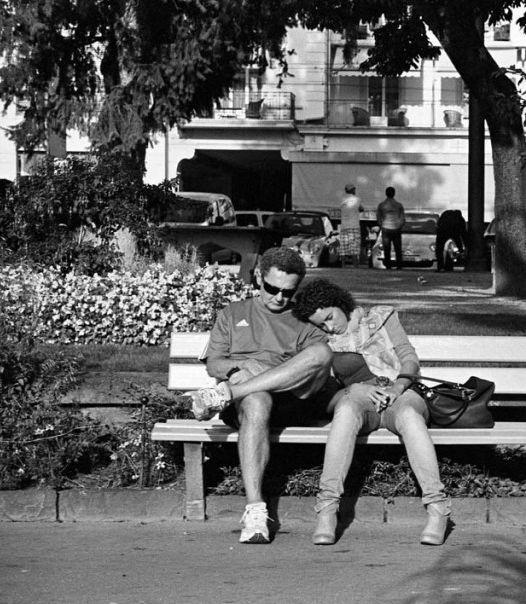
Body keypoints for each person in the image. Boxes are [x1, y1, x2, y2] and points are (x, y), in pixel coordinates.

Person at [187, 247, 335, 545]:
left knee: (321, 351)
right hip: (246, 404)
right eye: (272, 288)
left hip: (293, 399)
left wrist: (258, 374)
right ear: (258, 277)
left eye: (288, 292)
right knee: (256, 400)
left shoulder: (305, 320)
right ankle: (256, 512)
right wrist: (244, 365)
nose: (279, 297)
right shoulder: (233, 313)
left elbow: (314, 370)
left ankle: (229, 393)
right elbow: (214, 363)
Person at [292, 278, 452, 546]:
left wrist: (398, 387)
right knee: (344, 413)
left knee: (410, 418)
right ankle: (327, 509)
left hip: (400, 394)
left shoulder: (381, 316)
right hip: (358, 401)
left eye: (330, 317)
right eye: (322, 324)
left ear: (340, 302)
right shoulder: (321, 338)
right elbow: (325, 386)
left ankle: (438, 509)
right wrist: (355, 390)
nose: (330, 327)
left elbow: (408, 357)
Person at [376, 186, 405, 270]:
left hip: (386, 228)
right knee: (398, 248)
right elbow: (402, 218)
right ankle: (399, 265)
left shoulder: (381, 205)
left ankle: (388, 265)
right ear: (394, 194)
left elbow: (378, 217)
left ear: (386, 194)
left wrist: (382, 226)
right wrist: (399, 226)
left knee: (387, 248)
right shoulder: (399, 205)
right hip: (396, 228)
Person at [339, 183, 364, 266]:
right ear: (353, 190)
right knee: (354, 247)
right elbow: (361, 209)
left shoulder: (342, 200)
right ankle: (355, 265)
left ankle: (343, 265)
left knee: (343, 247)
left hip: (344, 226)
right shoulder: (357, 199)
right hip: (354, 226)